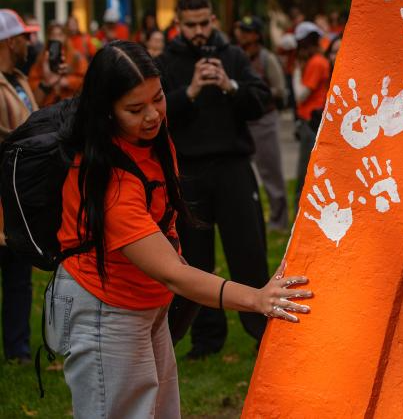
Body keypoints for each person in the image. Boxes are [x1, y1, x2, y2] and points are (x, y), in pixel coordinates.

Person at [45, 40, 312, 417]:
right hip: (107, 310)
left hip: (143, 304)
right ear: (106, 112)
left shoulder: (147, 137)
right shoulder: (111, 185)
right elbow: (173, 273)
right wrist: (257, 299)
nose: (153, 115)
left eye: (158, 98)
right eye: (135, 109)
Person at [155, 0, 273, 359]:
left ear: (214, 20)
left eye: (204, 23)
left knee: (248, 251)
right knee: (194, 258)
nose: (199, 31)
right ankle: (206, 338)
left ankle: (262, 330)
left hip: (233, 167)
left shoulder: (233, 55)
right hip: (188, 171)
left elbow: (261, 101)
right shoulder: (165, 62)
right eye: (190, 24)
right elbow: (155, 114)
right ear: (178, 24)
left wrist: (229, 85)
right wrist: (189, 92)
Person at [0, 9, 40, 363]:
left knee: (18, 276)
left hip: (19, 196)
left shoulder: (17, 79)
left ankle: (18, 349)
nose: (30, 42)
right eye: (25, 36)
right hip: (2, 195)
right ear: (10, 42)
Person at [236, 16, 290, 230]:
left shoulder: (267, 59)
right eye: (241, 30)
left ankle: (279, 221)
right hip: (243, 121)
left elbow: (281, 90)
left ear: (257, 35)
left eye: (247, 31)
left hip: (264, 121)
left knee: (270, 171)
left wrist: (256, 91)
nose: (242, 35)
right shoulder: (237, 56)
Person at [292, 21, 329, 199]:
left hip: (311, 121)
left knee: (305, 173)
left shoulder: (316, 63)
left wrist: (296, 72)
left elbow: (300, 95)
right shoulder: (317, 61)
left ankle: (300, 208)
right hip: (309, 120)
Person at [28, 21, 88, 107]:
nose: (56, 38)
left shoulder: (76, 57)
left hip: (70, 106)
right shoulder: (42, 58)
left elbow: (85, 80)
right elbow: (32, 84)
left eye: (60, 35)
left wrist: (67, 82)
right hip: (48, 106)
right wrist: (46, 82)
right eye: (53, 35)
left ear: (65, 37)